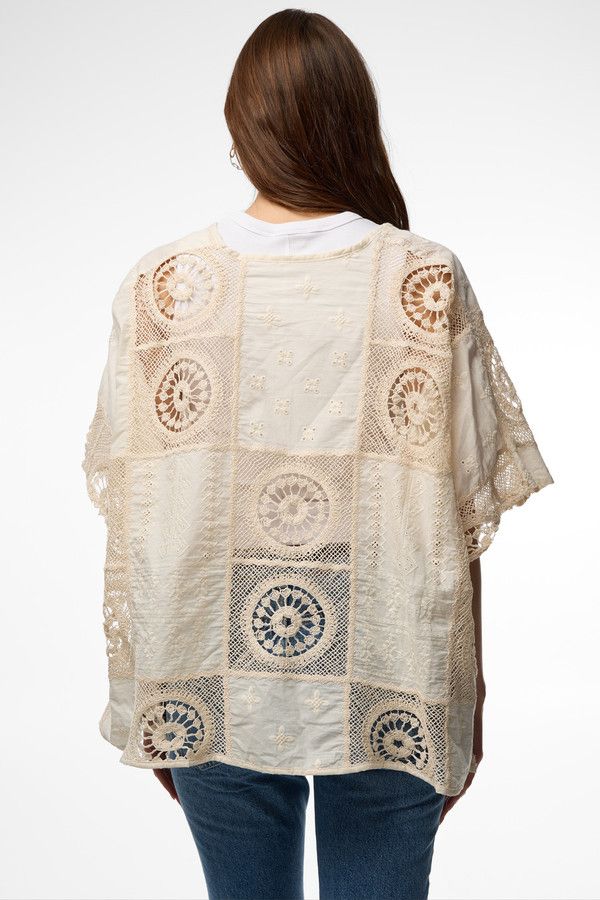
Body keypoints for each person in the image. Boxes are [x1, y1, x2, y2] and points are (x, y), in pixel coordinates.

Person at [82, 9, 554, 900]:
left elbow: (137, 511)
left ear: (239, 127)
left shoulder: (162, 287)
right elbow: (461, 515)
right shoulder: (422, 281)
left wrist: (156, 691)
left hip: (206, 664)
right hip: (393, 670)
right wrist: (467, 695)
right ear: (354, 120)